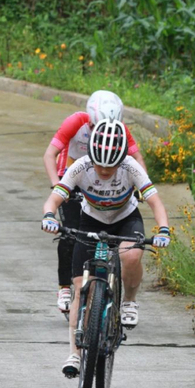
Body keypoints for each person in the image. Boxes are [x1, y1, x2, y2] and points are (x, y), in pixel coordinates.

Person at [41, 117, 170, 377]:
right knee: (79, 287)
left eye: (110, 167)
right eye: (99, 165)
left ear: (121, 160)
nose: (103, 171)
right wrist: (49, 216)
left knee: (132, 255)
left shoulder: (131, 167)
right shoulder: (80, 167)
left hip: (125, 219)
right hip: (92, 219)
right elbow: (54, 198)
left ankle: (129, 302)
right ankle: (75, 354)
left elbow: (155, 202)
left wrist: (164, 229)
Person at [43, 90, 148, 317]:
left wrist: (140, 186)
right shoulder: (76, 122)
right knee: (71, 232)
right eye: (96, 127)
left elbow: (137, 158)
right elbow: (50, 154)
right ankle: (64, 287)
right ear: (89, 120)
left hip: (104, 179)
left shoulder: (118, 130)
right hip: (74, 177)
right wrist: (56, 185)